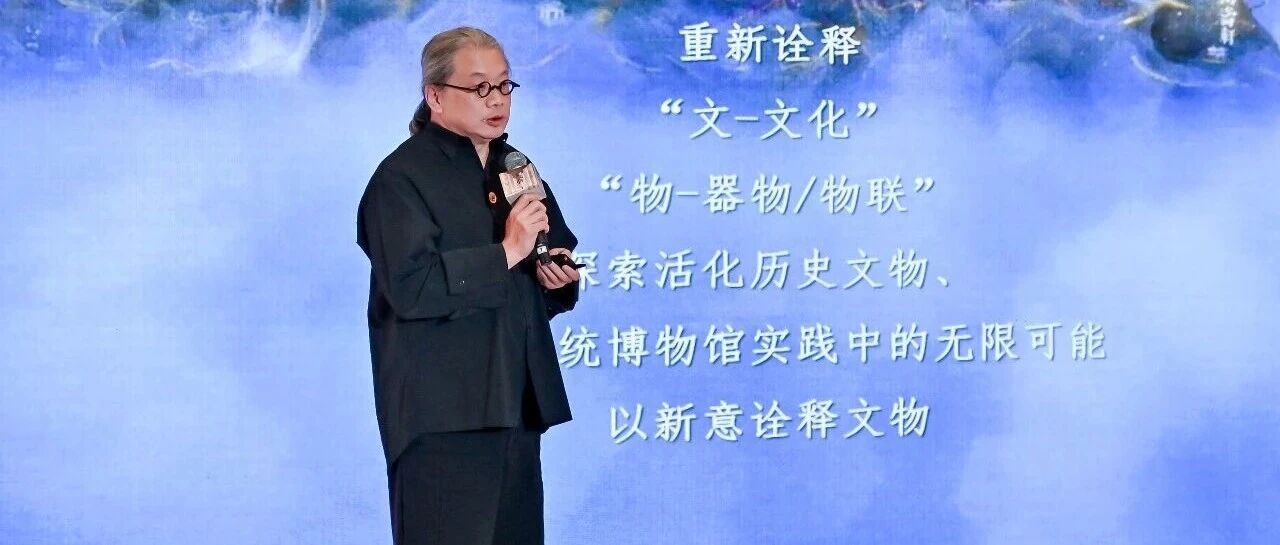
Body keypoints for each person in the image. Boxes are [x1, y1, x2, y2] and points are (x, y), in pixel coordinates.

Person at [355, 26, 583, 545]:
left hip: (515, 405)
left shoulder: (516, 168)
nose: (496, 100)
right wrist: (506, 252)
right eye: (479, 87)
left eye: (504, 85)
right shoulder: (400, 179)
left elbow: (546, 258)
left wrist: (555, 277)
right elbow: (412, 288)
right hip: (442, 418)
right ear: (435, 96)